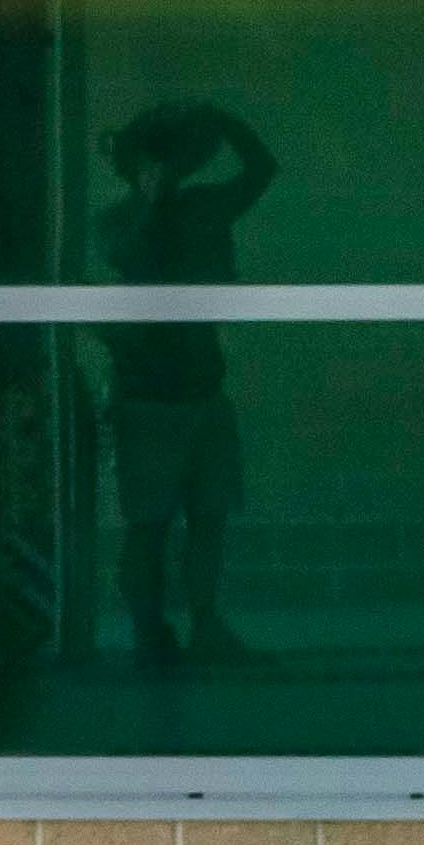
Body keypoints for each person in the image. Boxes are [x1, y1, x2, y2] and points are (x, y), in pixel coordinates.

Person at [96, 96, 276, 669]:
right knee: (147, 524)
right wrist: (151, 204)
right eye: (150, 161)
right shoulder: (116, 222)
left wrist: (225, 119)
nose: (163, 170)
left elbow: (262, 169)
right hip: (146, 398)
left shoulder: (204, 208)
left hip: (202, 390)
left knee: (209, 516)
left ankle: (204, 625)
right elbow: (129, 257)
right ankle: (148, 632)